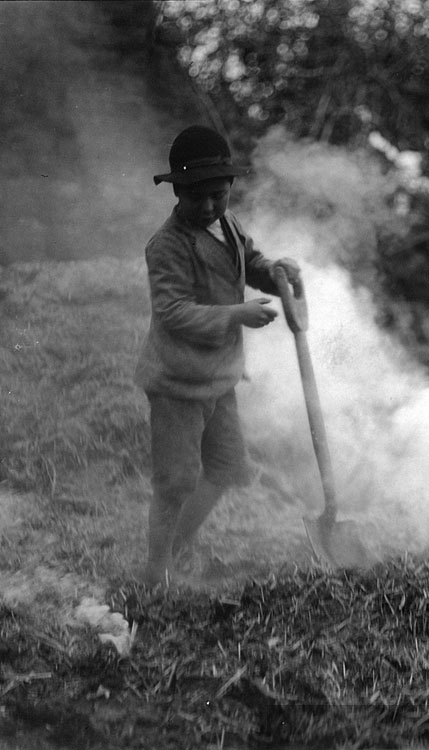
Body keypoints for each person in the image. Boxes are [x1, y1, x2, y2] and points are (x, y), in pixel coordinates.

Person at [135, 125, 301, 586]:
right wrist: (236, 315)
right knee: (176, 481)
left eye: (218, 194)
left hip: (220, 377)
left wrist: (278, 273)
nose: (208, 206)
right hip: (176, 382)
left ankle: (176, 547)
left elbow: (251, 262)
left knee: (228, 468)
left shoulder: (229, 225)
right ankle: (155, 570)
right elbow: (172, 313)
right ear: (177, 192)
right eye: (197, 197)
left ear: (229, 188)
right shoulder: (167, 245)